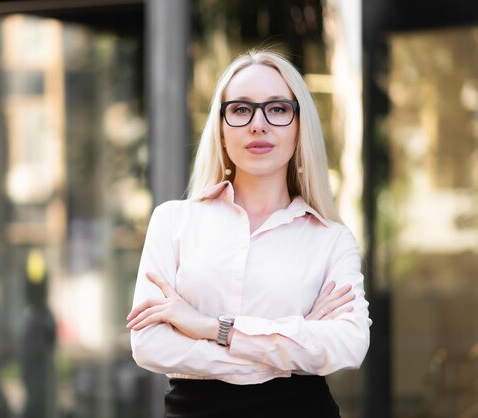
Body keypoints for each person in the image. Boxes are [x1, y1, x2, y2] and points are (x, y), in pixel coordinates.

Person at [126, 49, 371, 418]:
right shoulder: (173, 222)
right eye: (241, 109)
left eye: (277, 109)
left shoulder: (331, 240)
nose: (258, 124)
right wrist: (293, 342)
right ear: (221, 130)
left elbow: (348, 345)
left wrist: (209, 327)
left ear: (299, 126)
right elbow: (150, 345)